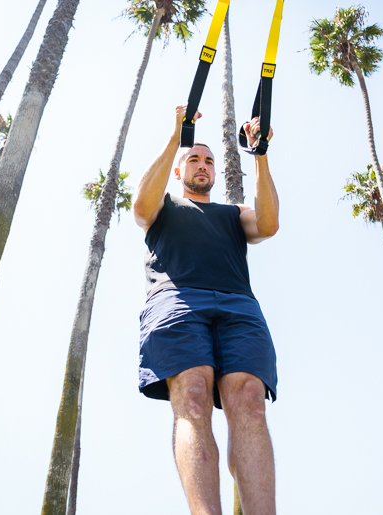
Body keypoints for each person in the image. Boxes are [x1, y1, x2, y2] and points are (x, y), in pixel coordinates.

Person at [132, 104, 280, 514]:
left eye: (209, 161)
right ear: (179, 172)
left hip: (239, 308)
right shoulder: (163, 205)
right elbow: (141, 207)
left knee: (250, 399)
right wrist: (175, 136)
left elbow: (267, 225)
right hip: (176, 302)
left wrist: (260, 155)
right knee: (194, 397)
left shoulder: (233, 214)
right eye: (193, 159)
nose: (203, 165)